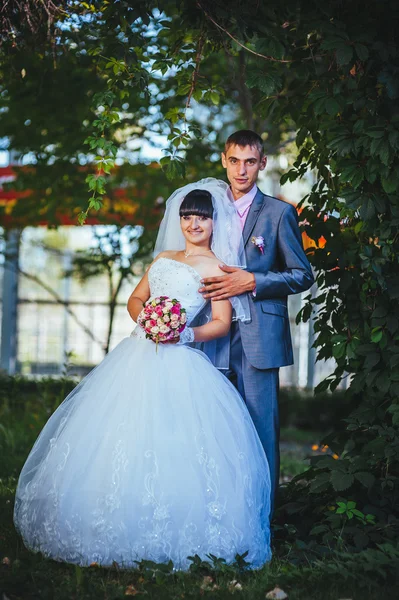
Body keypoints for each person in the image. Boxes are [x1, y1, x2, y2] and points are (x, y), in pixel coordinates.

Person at [14, 180, 271, 571]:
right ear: (179, 220)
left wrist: (181, 332)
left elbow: (220, 324)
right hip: (136, 352)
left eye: (201, 217)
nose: (193, 224)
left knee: (173, 438)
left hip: (179, 357)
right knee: (115, 434)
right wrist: (148, 321)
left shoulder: (220, 267)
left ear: (214, 221)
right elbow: (137, 298)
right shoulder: (164, 258)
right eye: (187, 217)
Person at [198, 131, 314, 511]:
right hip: (212, 332)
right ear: (223, 160)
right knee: (214, 428)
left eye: (250, 161)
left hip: (259, 337)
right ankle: (219, 511)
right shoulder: (208, 210)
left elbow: (302, 275)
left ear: (262, 163)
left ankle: (263, 520)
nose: (242, 169)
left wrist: (254, 280)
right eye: (235, 160)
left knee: (262, 430)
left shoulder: (280, 213)